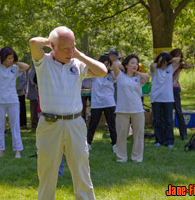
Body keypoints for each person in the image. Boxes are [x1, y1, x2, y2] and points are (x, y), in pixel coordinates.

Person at [29, 26, 107, 200]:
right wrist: (51, 41)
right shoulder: (43, 62)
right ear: (52, 47)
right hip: (49, 124)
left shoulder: (78, 64)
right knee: (47, 172)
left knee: (81, 169)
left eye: (72, 46)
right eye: (65, 48)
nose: (70, 51)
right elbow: (33, 43)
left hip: (75, 124)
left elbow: (102, 71)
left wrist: (79, 55)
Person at [0, 46, 30, 158]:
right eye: (8, 58)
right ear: (3, 58)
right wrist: (1, 54)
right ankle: (0, 150)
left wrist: (14, 61)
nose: (10, 60)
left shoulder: (15, 68)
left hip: (12, 100)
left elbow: (26, 66)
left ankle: (17, 150)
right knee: (0, 126)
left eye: (12, 58)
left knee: (15, 126)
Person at [112, 54, 150, 163]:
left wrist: (137, 72)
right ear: (126, 65)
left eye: (136, 64)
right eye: (132, 63)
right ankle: (121, 158)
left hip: (137, 110)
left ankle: (137, 158)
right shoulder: (120, 76)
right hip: (122, 110)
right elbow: (114, 64)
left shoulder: (139, 78)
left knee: (138, 135)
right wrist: (121, 64)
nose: (135, 65)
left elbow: (147, 77)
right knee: (121, 135)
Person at [87, 55, 117, 152]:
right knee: (93, 124)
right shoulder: (94, 75)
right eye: (104, 65)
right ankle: (88, 143)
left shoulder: (111, 75)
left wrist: (111, 69)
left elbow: (116, 77)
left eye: (107, 65)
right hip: (97, 103)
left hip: (109, 102)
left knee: (112, 124)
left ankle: (115, 144)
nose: (106, 67)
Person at [151, 52, 179, 147]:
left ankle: (169, 140)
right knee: (157, 120)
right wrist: (160, 60)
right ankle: (158, 140)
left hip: (168, 99)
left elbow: (178, 59)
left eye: (164, 61)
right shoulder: (155, 70)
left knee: (168, 121)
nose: (162, 62)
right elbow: (153, 65)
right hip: (156, 98)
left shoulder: (170, 69)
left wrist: (168, 60)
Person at [170, 48, 192, 140]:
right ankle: (169, 133)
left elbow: (189, 66)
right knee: (168, 112)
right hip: (167, 89)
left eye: (179, 55)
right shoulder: (169, 64)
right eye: (177, 55)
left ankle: (183, 134)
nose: (178, 57)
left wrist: (182, 59)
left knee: (178, 111)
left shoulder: (180, 65)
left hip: (174, 88)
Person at [27, 65, 39, 130]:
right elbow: (32, 81)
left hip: (35, 93)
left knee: (36, 109)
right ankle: (34, 124)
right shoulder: (33, 70)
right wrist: (36, 85)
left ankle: (36, 124)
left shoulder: (34, 69)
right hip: (33, 93)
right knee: (34, 109)